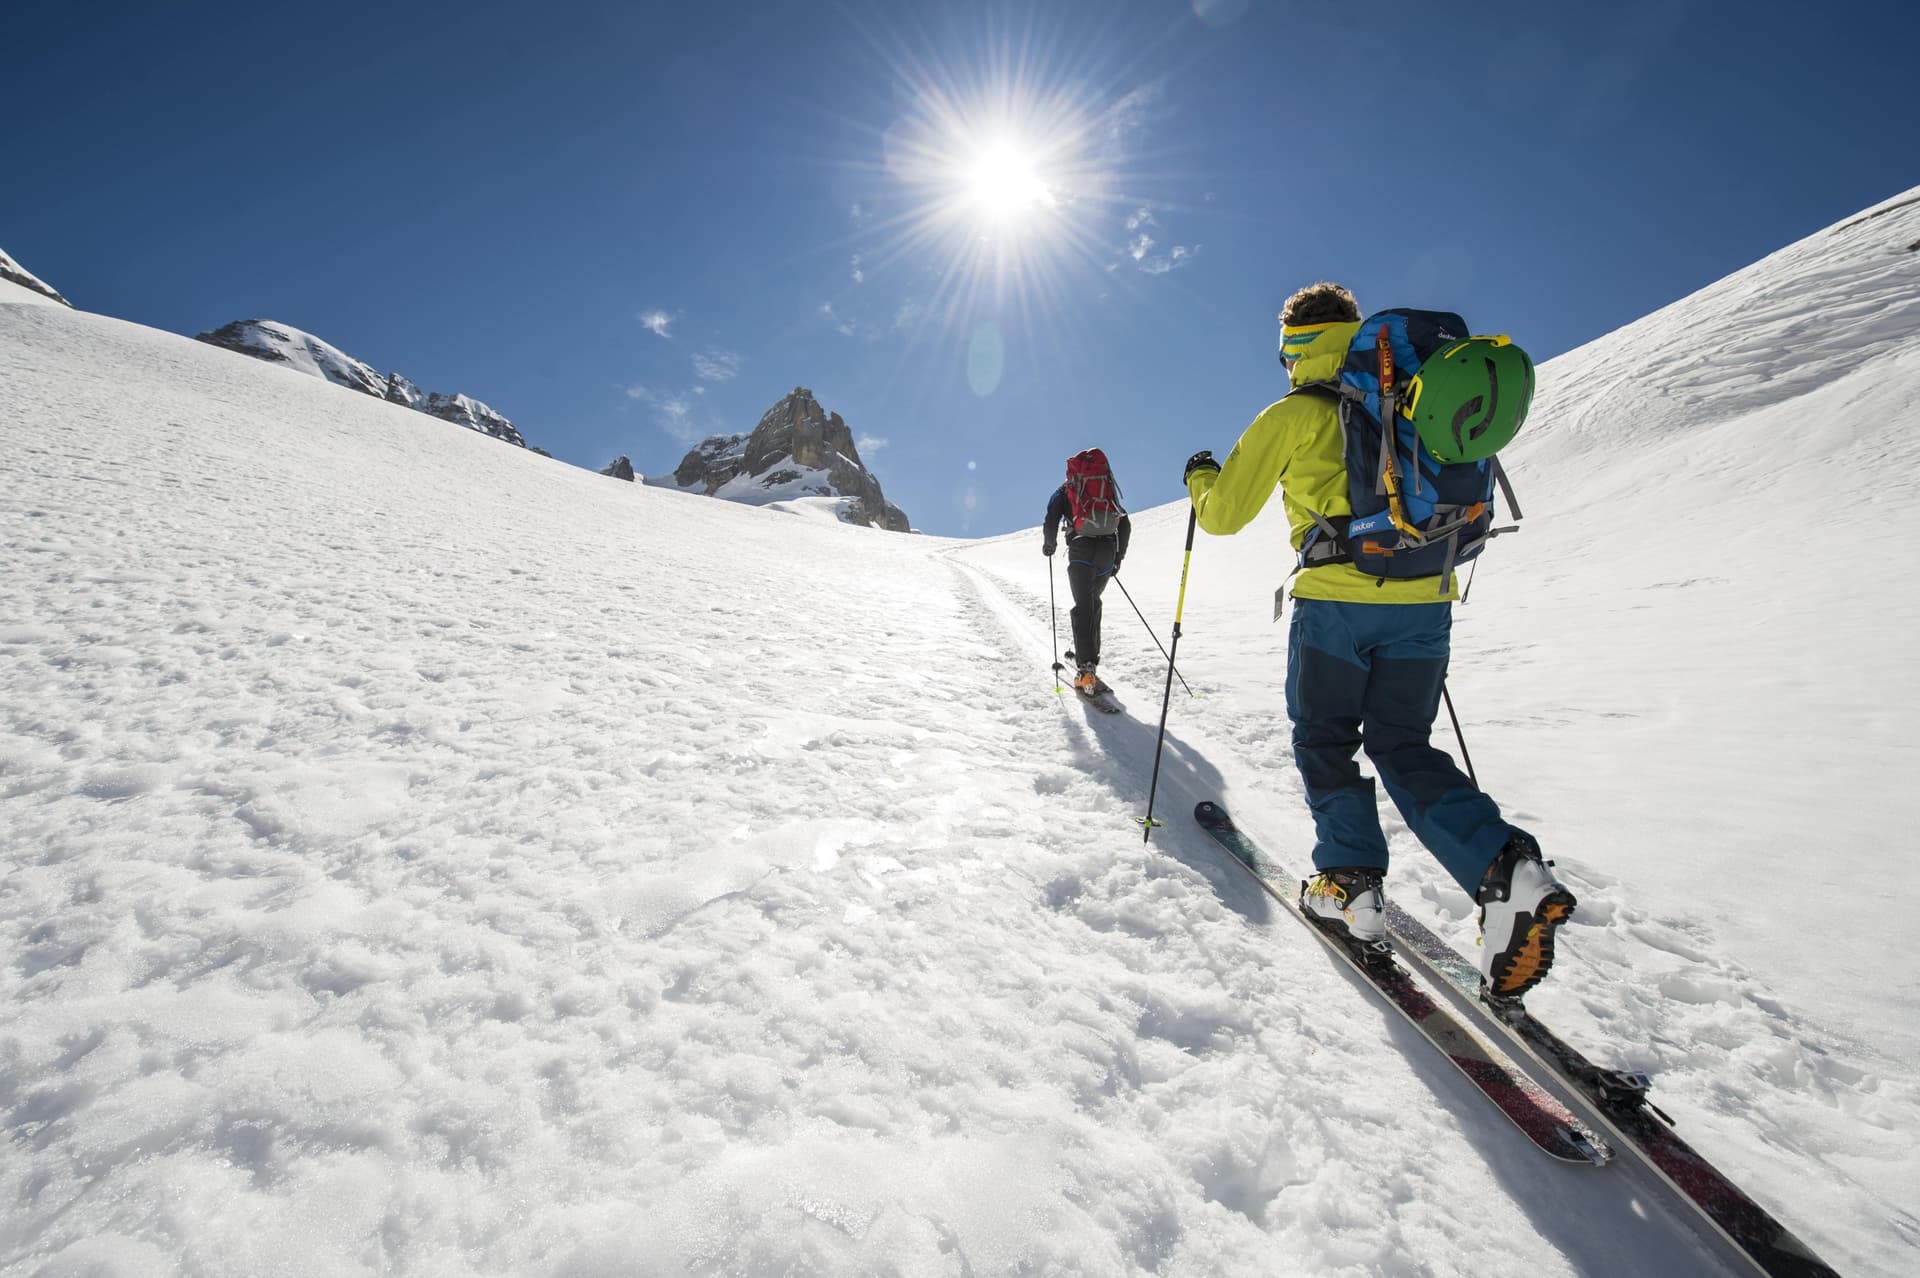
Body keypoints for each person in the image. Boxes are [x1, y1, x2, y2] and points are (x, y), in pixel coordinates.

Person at [1182, 281, 1574, 998]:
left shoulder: (1295, 411)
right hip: (1426, 598)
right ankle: (1506, 868)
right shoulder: (1412, 395)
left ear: (1291, 346)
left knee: (1326, 741)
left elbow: (1224, 516)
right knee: (1404, 745)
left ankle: (1350, 885)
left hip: (1336, 603)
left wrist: (1202, 478)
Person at [1042, 450, 1132, 696]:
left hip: (1081, 551)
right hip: (1106, 551)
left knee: (1083, 606)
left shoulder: (1065, 491)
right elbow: (1124, 522)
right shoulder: (1105, 490)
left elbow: (1051, 516)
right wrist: (1117, 558)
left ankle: (1085, 669)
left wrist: (1049, 544)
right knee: (1093, 603)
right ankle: (1090, 659)